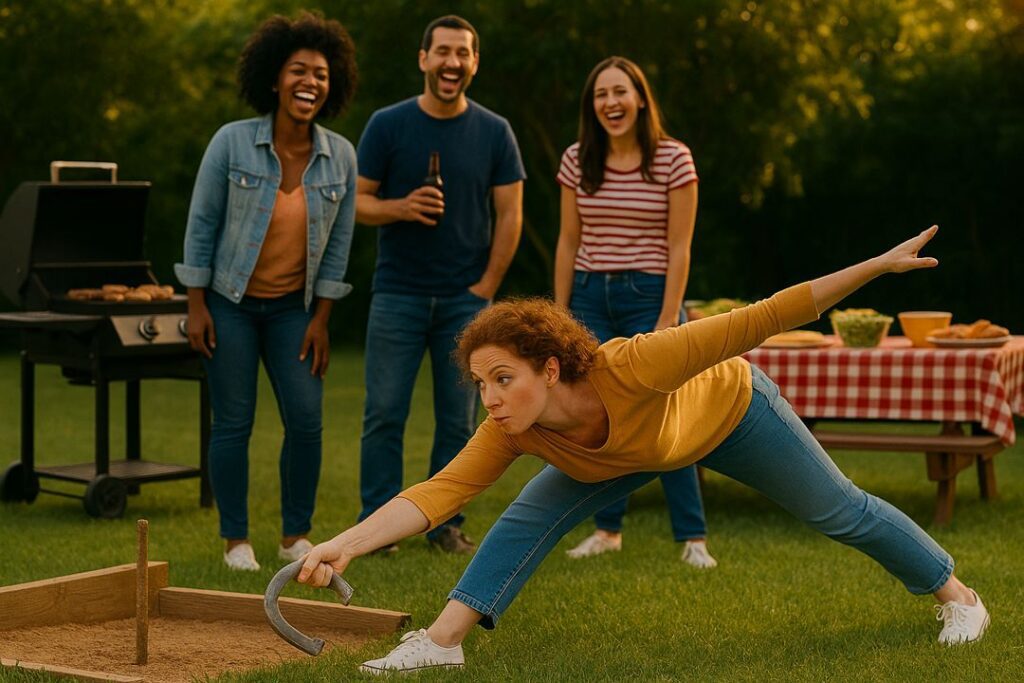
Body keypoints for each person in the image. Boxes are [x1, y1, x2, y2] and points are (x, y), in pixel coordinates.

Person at [299, 226, 991, 672]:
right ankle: (442, 644)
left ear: (549, 366)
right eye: (481, 384)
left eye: (502, 378)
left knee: (840, 509)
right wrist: (347, 542)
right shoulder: (514, 427)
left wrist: (875, 262)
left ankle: (959, 596)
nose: (491, 398)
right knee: (523, 520)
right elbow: (437, 493)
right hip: (622, 454)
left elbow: (767, 315)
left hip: (732, 413)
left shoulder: (632, 364)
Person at [174, 12, 358, 571]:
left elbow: (339, 245)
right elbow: (201, 225)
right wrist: (197, 306)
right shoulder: (231, 143)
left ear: (333, 86)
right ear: (275, 80)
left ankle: (294, 535)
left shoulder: (341, 156)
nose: (310, 82)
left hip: (292, 313)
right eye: (298, 71)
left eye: (321, 74)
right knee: (234, 422)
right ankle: (236, 542)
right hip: (227, 305)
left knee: (306, 419)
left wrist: (321, 319)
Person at [353, 15, 526, 553]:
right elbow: (356, 203)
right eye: (443, 52)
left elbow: (511, 214)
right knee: (384, 414)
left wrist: (486, 288)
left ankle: (443, 524)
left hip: (464, 301)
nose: (453, 62)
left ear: (474, 63)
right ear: (424, 58)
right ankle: (378, 531)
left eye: (464, 54)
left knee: (461, 421)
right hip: (398, 293)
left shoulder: (494, 131)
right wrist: (400, 207)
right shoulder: (388, 124)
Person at [555, 56, 714, 567]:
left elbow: (680, 247)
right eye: (601, 95)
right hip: (588, 296)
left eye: (620, 92)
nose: (610, 103)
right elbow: (567, 240)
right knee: (601, 414)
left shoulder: (673, 159)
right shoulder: (578, 159)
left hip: (650, 296)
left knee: (666, 409)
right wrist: (559, 315)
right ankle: (607, 530)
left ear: (640, 98)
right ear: (592, 105)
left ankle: (693, 539)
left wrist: (670, 316)